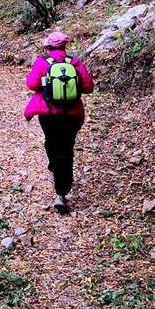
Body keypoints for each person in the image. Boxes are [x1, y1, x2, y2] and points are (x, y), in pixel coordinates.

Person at [24, 31, 95, 214]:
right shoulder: (75, 63)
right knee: (66, 149)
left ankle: (56, 171)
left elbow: (31, 85)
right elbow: (89, 87)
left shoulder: (42, 62)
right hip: (71, 115)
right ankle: (62, 191)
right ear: (64, 46)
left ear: (48, 46)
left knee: (51, 142)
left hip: (47, 113)